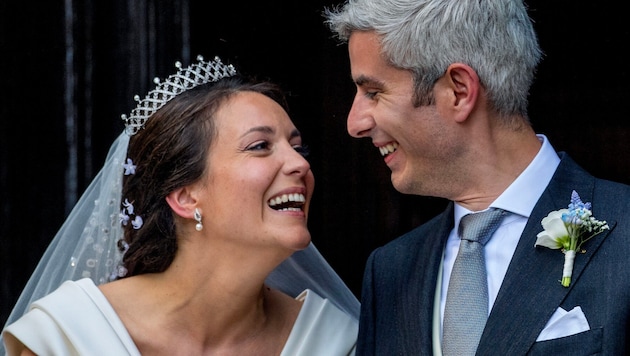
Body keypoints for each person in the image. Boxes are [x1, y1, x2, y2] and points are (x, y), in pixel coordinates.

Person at [325, 0, 630, 355]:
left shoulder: (624, 231)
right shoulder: (390, 271)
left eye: (373, 93)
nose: (354, 123)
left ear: (459, 90)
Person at [1, 56, 359, 355]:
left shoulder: (332, 341)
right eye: (260, 146)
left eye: (297, 148)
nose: (300, 164)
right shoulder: (69, 336)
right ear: (185, 196)